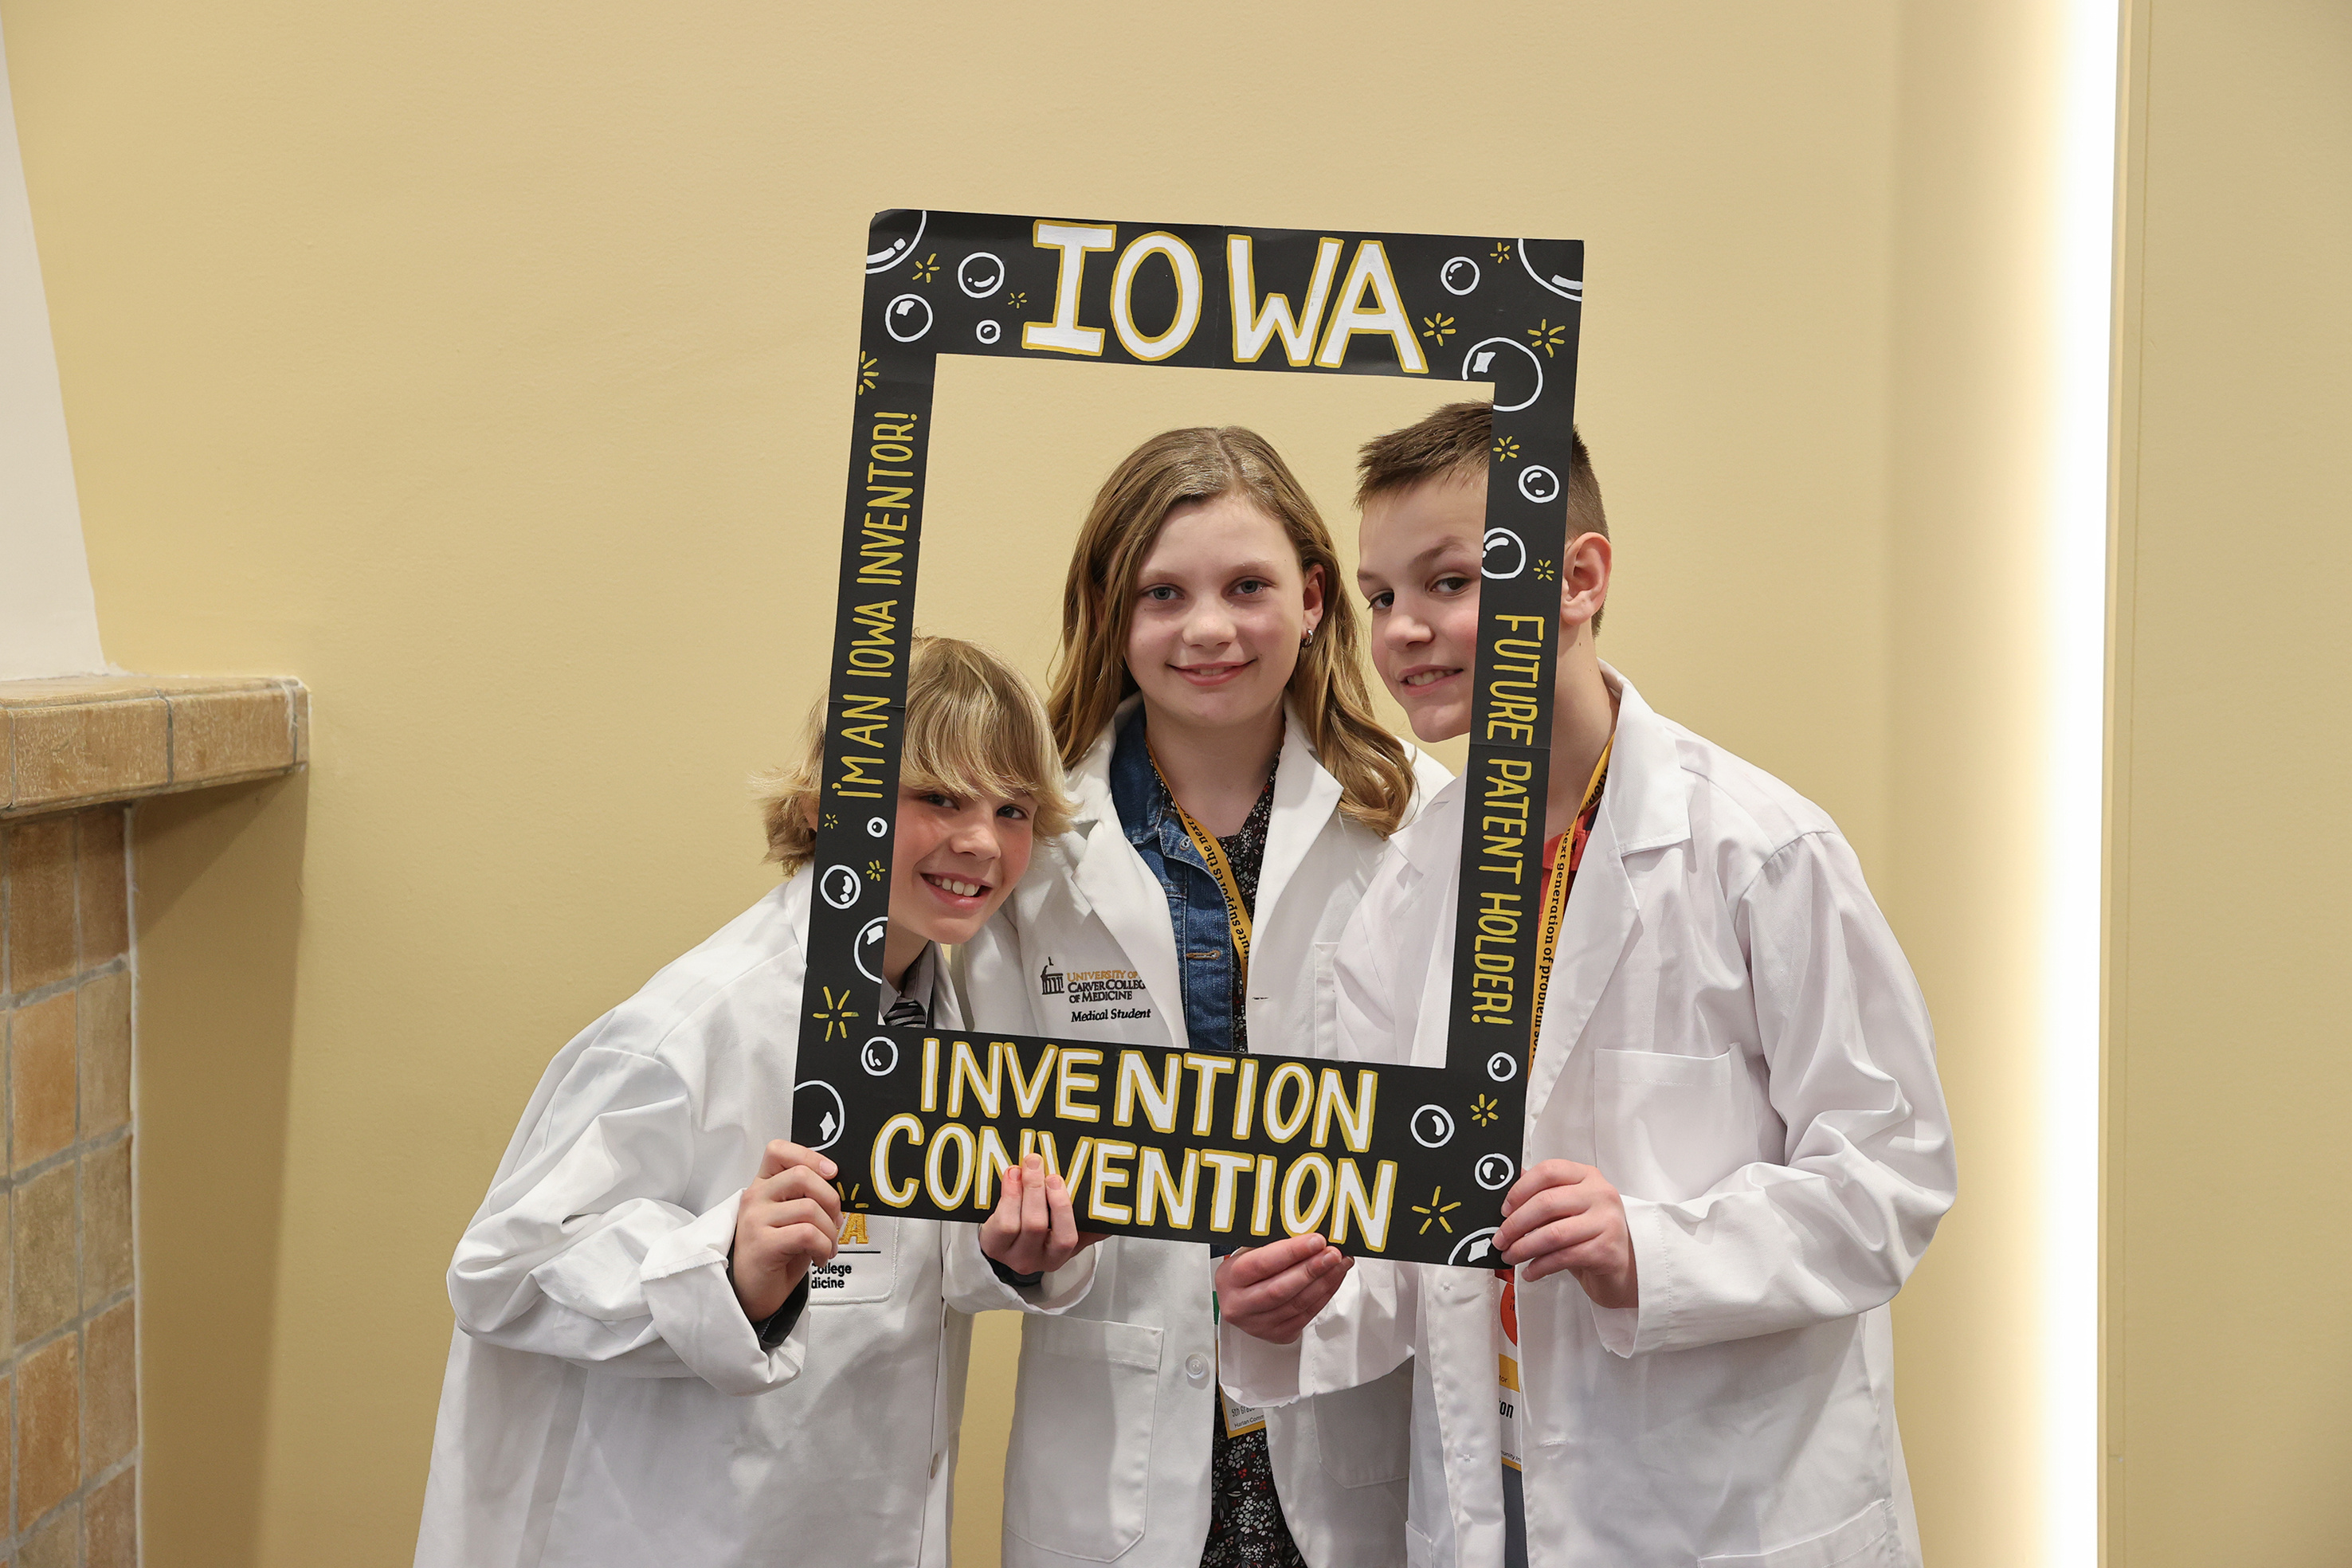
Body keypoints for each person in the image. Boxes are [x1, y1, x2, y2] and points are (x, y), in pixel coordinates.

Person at [1213, 403, 1958, 1568]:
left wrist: (1651, 1249)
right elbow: (1402, 1224)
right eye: (1381, 596)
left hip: (1721, 1509)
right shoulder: (1409, 889)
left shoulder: (1760, 853)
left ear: (1578, 577)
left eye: (1449, 581)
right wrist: (1288, 1305)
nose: (1404, 630)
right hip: (1494, 1493)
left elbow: (1892, 1176)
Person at [415, 637, 1101, 1568]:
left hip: (863, 1517)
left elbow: (898, 1272)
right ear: (832, 808)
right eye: (940, 797)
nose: (981, 841)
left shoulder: (950, 1015)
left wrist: (1006, 1253)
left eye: (1011, 809)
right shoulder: (692, 1026)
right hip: (689, 1528)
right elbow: (501, 1271)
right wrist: (723, 1268)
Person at [958, 426, 1453, 1568]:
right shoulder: (1029, 846)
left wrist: (1354, 1276)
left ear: (1315, 598)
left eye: (1248, 587)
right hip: (1119, 1454)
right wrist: (1024, 1248)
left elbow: (1461, 1136)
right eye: (1163, 593)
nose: (1210, 629)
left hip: (1354, 1422)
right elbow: (975, 1150)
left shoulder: (1421, 823)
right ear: (1108, 611)